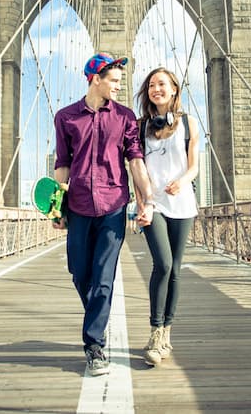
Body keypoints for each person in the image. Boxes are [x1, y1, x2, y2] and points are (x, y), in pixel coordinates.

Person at [53, 52, 155, 376]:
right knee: (79, 272)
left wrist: (146, 200)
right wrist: (56, 206)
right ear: (95, 79)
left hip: (113, 205)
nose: (119, 87)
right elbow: (62, 164)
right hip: (79, 205)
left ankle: (94, 345)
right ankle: (97, 317)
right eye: (114, 81)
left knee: (103, 277)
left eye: (121, 82)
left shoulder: (125, 118)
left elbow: (136, 161)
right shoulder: (66, 118)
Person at [135, 67, 199, 367]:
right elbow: (135, 170)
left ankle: (167, 332)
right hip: (154, 204)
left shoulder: (188, 123)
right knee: (162, 263)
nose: (155, 89)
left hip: (183, 203)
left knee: (175, 269)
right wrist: (142, 203)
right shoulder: (140, 127)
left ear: (174, 89)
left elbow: (194, 167)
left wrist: (183, 181)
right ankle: (155, 332)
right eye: (150, 85)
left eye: (161, 84)